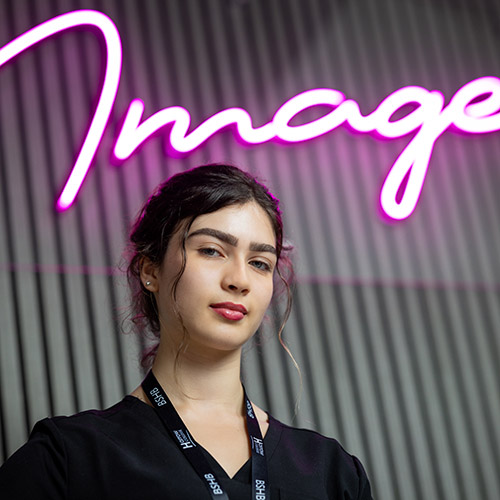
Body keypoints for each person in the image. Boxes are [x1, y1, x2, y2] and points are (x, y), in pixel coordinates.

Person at [0, 164, 373, 499]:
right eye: (211, 251)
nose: (239, 280)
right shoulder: (70, 459)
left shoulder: (331, 472)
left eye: (260, 263)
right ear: (149, 270)